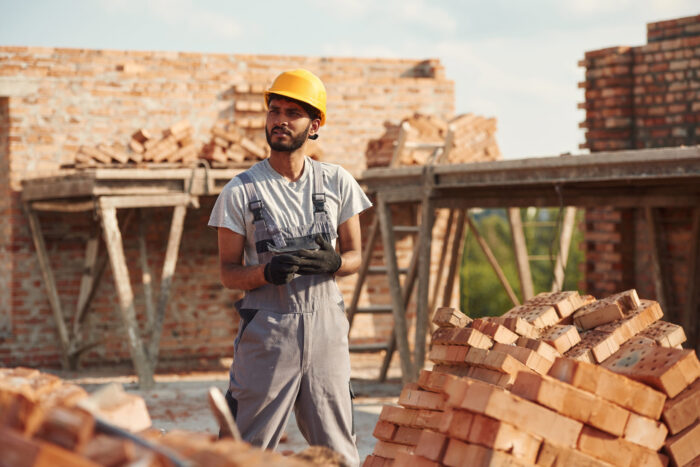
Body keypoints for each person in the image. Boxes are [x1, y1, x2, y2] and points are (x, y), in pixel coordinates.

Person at [208, 68, 371, 466]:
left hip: (327, 333)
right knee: (243, 450)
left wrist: (334, 262)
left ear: (314, 126)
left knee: (339, 451)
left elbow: (355, 256)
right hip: (268, 334)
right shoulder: (240, 191)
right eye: (274, 110)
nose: (279, 119)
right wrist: (266, 273)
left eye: (292, 113)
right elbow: (228, 273)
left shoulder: (337, 182)